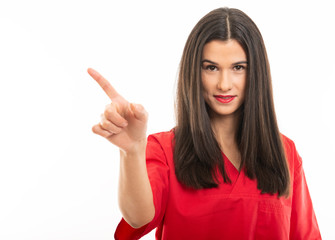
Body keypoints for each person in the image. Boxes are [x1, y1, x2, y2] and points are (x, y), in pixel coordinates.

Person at [88, 7, 321, 240]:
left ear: (256, 73)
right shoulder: (165, 150)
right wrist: (132, 151)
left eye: (238, 68)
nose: (224, 84)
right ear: (194, 72)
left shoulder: (285, 152)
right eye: (211, 68)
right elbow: (138, 217)